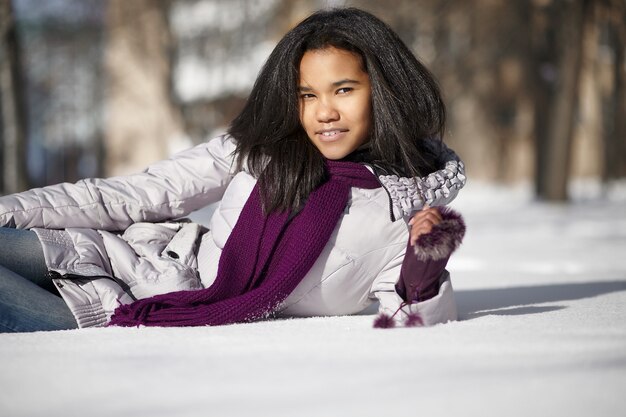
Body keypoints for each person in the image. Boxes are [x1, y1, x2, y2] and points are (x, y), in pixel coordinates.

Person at [0, 7, 466, 333]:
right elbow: (140, 194)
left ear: (384, 90)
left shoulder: (403, 219)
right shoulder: (262, 149)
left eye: (343, 90)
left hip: (133, 311)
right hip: (124, 258)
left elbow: (409, 319)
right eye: (308, 95)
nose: (323, 112)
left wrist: (425, 267)